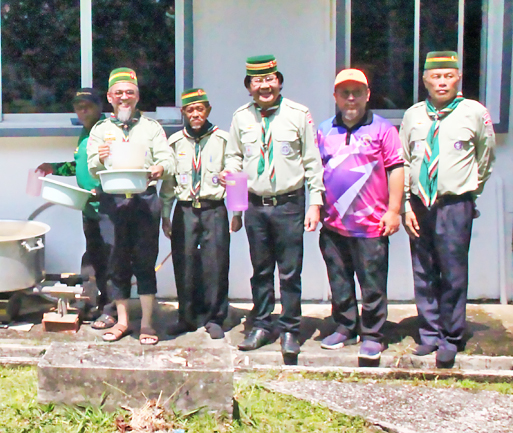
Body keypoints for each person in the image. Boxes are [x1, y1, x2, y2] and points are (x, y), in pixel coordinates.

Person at [223, 55, 325, 356]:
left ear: (279, 82)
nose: (264, 86)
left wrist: (315, 203)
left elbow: (312, 162)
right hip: (255, 205)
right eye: (258, 81)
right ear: (249, 87)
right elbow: (234, 160)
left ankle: (290, 329)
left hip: (289, 204)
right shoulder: (241, 117)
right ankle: (262, 325)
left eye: (270, 79)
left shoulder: (298, 114)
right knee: (261, 270)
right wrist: (237, 208)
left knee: (290, 272)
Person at [400, 51, 496, 368]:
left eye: (448, 76)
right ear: (425, 80)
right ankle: (428, 333)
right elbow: (404, 161)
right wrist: (404, 205)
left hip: (455, 203)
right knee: (424, 270)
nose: (442, 82)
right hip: (419, 204)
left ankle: (451, 337)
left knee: (453, 272)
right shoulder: (413, 115)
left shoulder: (474, 113)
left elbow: (485, 157)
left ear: (458, 79)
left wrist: (470, 190)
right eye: (435, 76)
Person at [315, 69, 404, 360]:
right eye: (344, 93)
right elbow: (315, 173)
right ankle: (344, 327)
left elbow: (396, 169)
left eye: (356, 92)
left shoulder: (383, 130)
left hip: (371, 225)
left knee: (372, 283)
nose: (350, 98)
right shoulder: (324, 130)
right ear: (335, 97)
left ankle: (373, 334)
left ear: (367, 95)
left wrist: (394, 210)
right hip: (334, 224)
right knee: (339, 281)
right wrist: (315, 206)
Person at [86, 67, 174, 345]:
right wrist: (99, 159)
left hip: (144, 200)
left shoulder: (152, 128)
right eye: (119, 93)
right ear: (110, 97)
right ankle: (123, 321)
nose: (125, 97)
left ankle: (147, 323)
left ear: (137, 97)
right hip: (112, 201)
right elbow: (91, 168)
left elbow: (169, 160)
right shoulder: (100, 130)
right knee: (116, 261)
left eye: (130, 92)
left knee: (145, 262)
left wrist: (161, 167)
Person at [37, 88, 115, 326]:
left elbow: (120, 164)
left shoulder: (109, 131)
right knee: (94, 258)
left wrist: (101, 189)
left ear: (100, 106)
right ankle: (97, 304)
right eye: (78, 107)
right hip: (88, 207)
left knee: (111, 258)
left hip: (109, 206)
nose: (83, 111)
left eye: (88, 106)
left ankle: (111, 310)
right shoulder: (84, 133)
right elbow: (79, 167)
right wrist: (54, 168)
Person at [159, 88, 231, 340]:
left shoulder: (223, 139)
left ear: (208, 110)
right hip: (186, 209)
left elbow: (235, 171)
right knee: (185, 263)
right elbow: (168, 184)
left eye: (200, 109)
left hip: (214, 208)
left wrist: (238, 212)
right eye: (190, 110)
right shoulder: (175, 142)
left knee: (216, 264)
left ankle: (215, 317)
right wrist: (165, 215)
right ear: (184, 113)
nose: (195, 114)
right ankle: (187, 317)